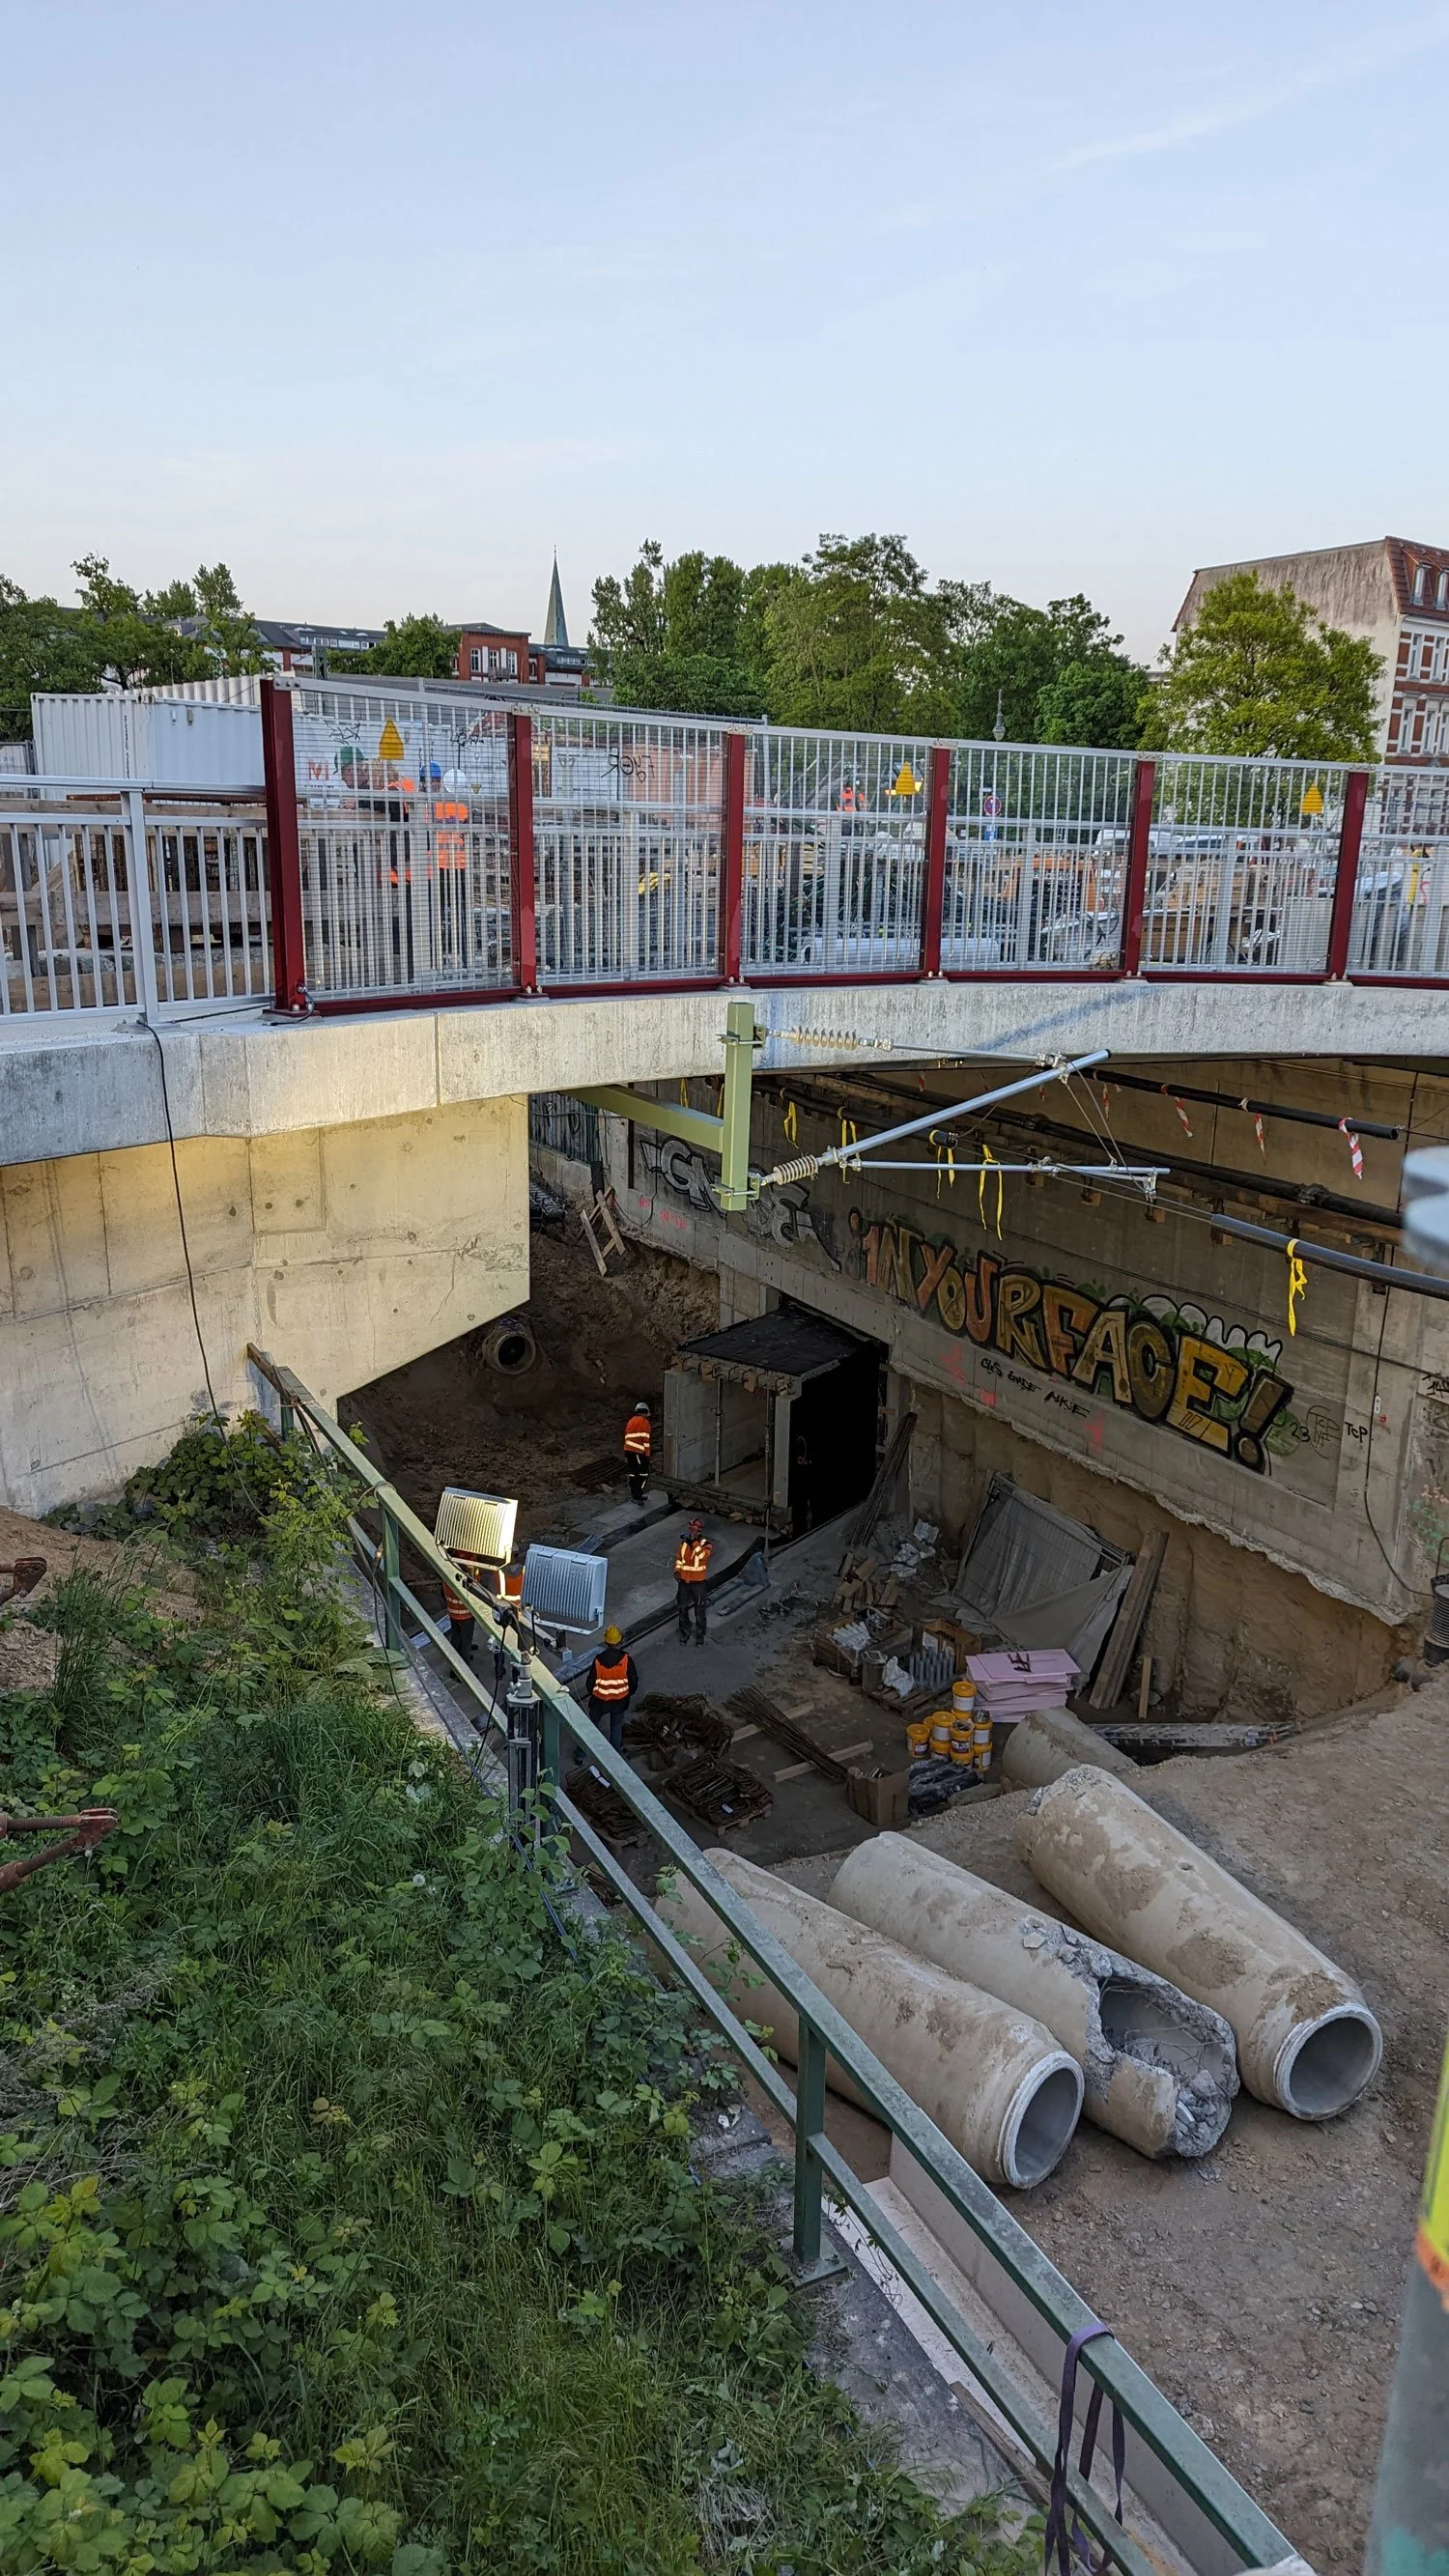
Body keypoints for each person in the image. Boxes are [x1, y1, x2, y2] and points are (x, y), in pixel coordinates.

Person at [582, 1625, 639, 1752]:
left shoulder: (598, 1660)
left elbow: (590, 1683)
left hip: (599, 1701)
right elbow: (634, 1681)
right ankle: (615, 1757)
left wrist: (596, 1693)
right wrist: (627, 1694)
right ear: (619, 1641)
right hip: (620, 1701)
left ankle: (580, 1755)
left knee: (591, 1728)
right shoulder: (626, 1660)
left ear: (606, 1642)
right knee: (616, 1728)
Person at [674, 1516, 712, 1646]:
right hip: (684, 1581)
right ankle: (685, 1631)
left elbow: (702, 1557)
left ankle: (700, 1636)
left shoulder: (705, 1544)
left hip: (698, 1583)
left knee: (699, 1610)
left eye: (694, 1530)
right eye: (691, 1529)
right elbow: (679, 1559)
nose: (692, 1532)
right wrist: (677, 1571)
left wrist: (695, 1542)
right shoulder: (684, 1543)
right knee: (682, 1608)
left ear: (699, 1531)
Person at [623, 1401, 652, 1504]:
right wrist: (647, 1454)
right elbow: (646, 1440)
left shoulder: (631, 1421)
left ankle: (634, 1494)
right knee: (643, 1473)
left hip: (628, 1451)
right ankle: (638, 1494)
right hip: (638, 1453)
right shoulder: (644, 1422)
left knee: (633, 1473)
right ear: (645, 1412)